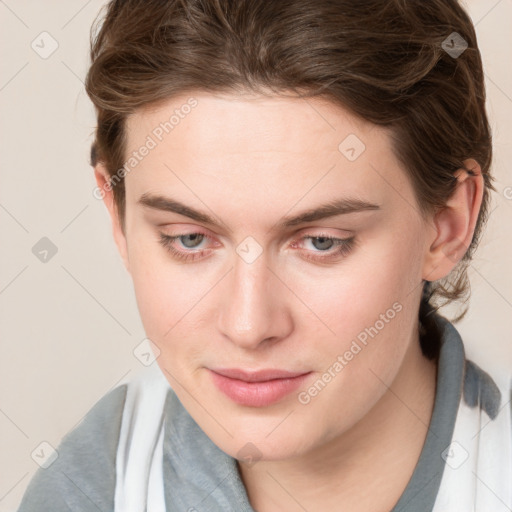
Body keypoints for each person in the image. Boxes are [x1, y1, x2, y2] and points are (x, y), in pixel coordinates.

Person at [17, 0, 512, 511]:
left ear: (447, 226)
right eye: (189, 239)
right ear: (117, 213)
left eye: (322, 242)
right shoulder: (86, 494)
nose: (249, 326)